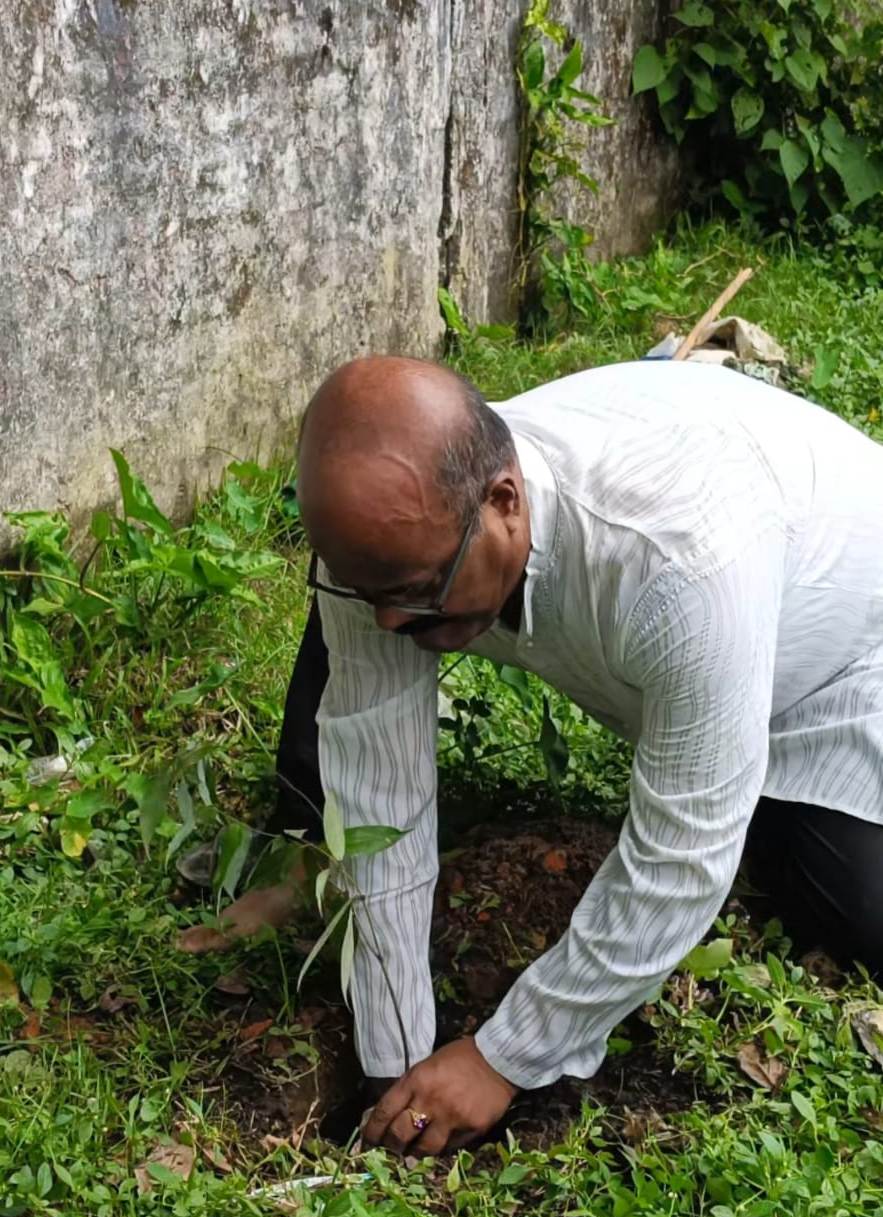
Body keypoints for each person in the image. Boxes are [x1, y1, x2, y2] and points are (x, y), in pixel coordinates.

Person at [181, 354, 883, 1155]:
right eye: (369, 594)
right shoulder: (403, 544)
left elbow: (682, 854)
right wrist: (393, 1063)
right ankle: (307, 849)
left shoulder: (680, 563)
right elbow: (379, 784)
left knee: (848, 904)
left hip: (850, 653)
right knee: (378, 617)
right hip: (713, 625)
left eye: (416, 587)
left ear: (504, 501)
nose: (388, 624)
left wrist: (501, 1057)